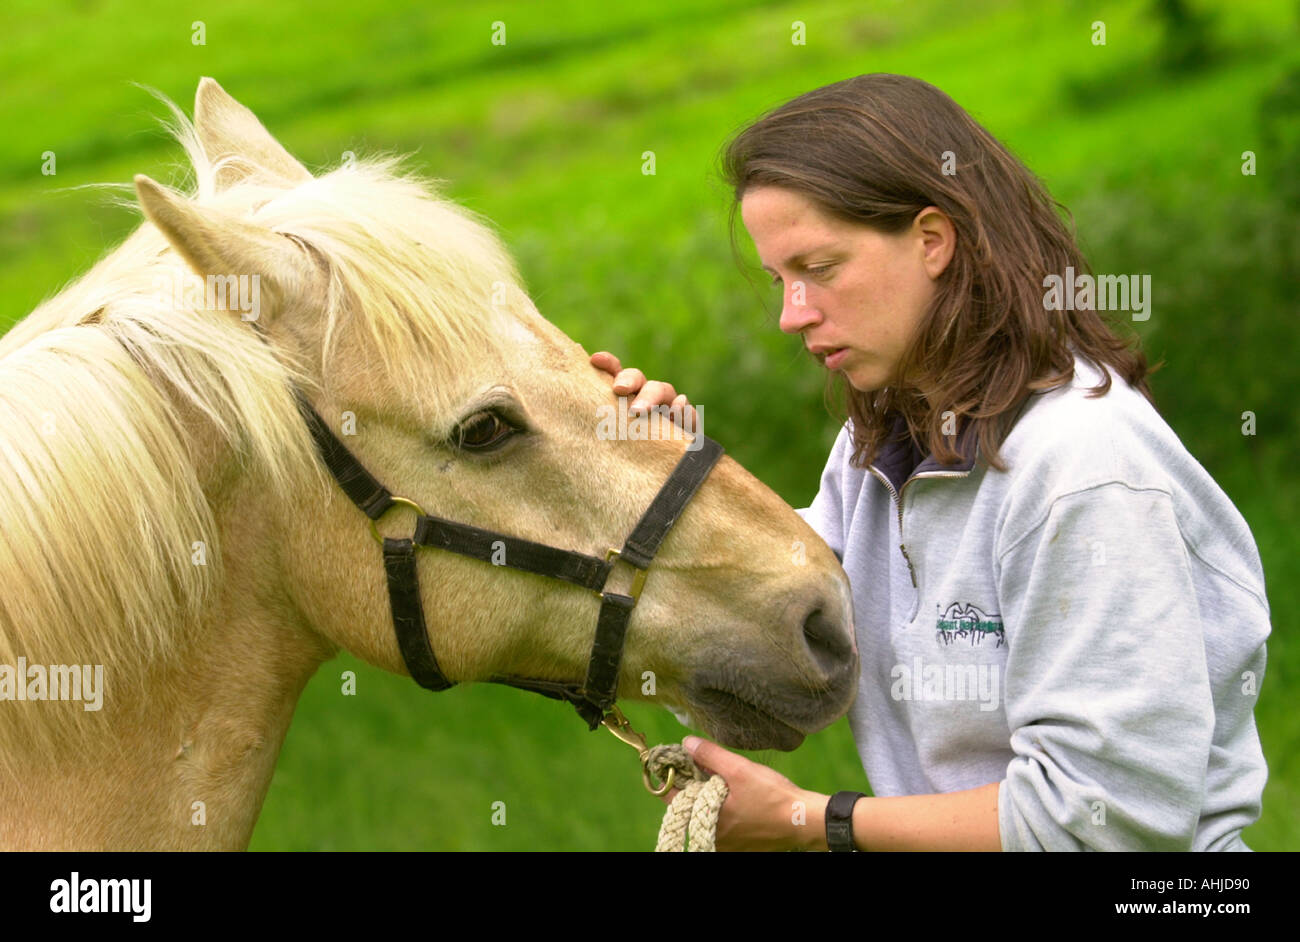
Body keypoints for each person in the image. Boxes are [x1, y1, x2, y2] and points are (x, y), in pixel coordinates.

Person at [589, 73, 1270, 851]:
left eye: (819, 268)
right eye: (781, 281)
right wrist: (666, 486)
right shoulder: (878, 453)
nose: (790, 315)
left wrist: (812, 823)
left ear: (933, 241)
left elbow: (1107, 823)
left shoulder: (1084, 468)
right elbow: (770, 649)